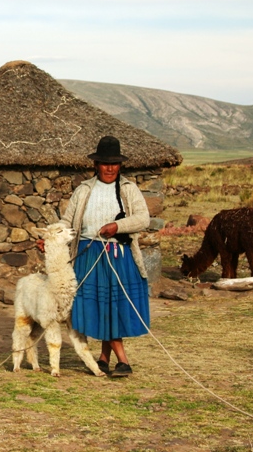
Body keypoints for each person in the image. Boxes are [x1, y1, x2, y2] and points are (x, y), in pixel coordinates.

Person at [60, 136, 151, 377]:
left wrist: (117, 227)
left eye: (114, 163)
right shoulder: (84, 191)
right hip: (89, 255)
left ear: (120, 165)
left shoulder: (129, 190)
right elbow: (67, 223)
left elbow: (143, 218)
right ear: (96, 164)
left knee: (114, 305)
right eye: (104, 163)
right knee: (100, 305)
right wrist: (51, 238)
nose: (110, 168)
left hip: (118, 255)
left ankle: (118, 360)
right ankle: (109, 359)